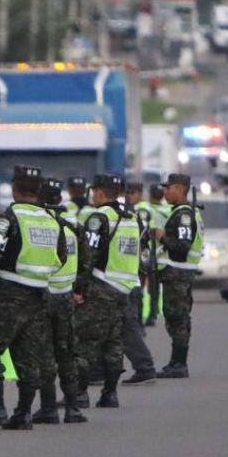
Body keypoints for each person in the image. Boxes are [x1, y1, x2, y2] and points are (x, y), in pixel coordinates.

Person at [0, 166, 66, 429]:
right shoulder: (51, 220)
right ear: (38, 190)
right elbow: (62, 256)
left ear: (15, 189)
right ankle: (23, 413)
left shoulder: (9, 218)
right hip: (39, 296)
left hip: (10, 295)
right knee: (28, 357)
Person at [75, 173, 140, 408]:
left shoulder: (99, 217)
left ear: (100, 192)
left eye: (94, 191)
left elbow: (88, 256)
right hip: (124, 288)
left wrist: (78, 288)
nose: (93, 195)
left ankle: (80, 394)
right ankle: (110, 393)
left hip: (101, 285)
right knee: (113, 342)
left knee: (84, 341)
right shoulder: (131, 218)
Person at [33, 177, 88, 424]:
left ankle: (48, 408)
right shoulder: (73, 225)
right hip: (67, 296)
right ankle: (73, 407)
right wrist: (80, 289)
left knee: (46, 353)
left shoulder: (40, 225)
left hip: (44, 296)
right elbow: (87, 261)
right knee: (67, 352)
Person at [154, 174, 204, 379]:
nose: (164, 192)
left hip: (178, 272)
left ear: (180, 189)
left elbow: (183, 246)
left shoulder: (184, 215)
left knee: (176, 318)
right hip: (180, 272)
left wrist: (162, 237)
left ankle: (179, 363)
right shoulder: (185, 212)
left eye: (168, 188)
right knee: (178, 317)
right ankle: (176, 362)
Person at [120, 180, 157, 386]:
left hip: (119, 282)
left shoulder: (128, 216)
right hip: (128, 279)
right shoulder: (134, 217)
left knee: (126, 326)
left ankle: (145, 366)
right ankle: (99, 370)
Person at [144, 183, 170, 326]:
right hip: (167, 254)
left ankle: (153, 313)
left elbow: (152, 231)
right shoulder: (169, 209)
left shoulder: (149, 210)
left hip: (154, 252)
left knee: (153, 287)